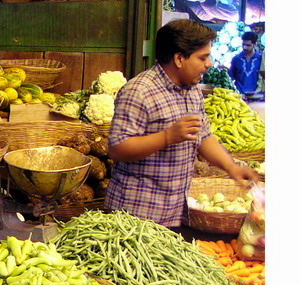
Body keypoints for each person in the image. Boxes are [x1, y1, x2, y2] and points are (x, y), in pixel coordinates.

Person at [104, 19, 259, 229]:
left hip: (175, 212)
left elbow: (204, 137)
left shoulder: (193, 91)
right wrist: (167, 137)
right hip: (136, 215)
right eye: (202, 57)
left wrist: (231, 167)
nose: (209, 64)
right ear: (179, 58)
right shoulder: (139, 91)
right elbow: (117, 149)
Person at [228, 31, 263, 97]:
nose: (244, 47)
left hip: (256, 96)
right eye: (243, 44)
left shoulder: (261, 59)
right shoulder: (236, 59)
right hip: (239, 95)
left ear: (255, 44)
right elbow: (230, 77)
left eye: (248, 45)